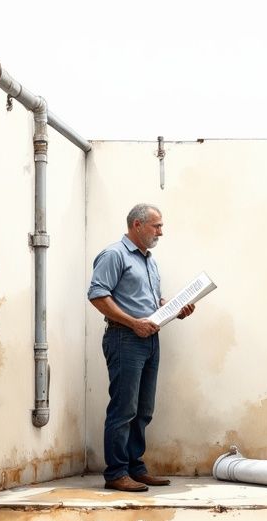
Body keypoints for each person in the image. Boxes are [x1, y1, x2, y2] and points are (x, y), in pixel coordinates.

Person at [87, 203, 195, 492]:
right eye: (156, 226)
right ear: (137, 225)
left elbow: (152, 301)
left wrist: (173, 308)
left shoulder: (149, 260)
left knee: (143, 409)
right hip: (124, 338)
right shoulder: (114, 255)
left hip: (149, 339)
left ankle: (135, 468)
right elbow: (97, 295)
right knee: (124, 408)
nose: (161, 231)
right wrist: (133, 322)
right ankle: (117, 473)